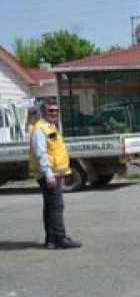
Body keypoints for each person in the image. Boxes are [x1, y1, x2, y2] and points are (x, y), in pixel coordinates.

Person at [28, 102, 82, 249]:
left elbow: (55, 152)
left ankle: (51, 240)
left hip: (55, 173)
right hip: (48, 174)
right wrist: (48, 174)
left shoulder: (51, 127)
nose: (54, 113)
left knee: (50, 206)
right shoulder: (40, 129)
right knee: (57, 206)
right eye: (51, 111)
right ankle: (60, 238)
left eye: (56, 111)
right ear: (44, 112)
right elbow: (40, 153)